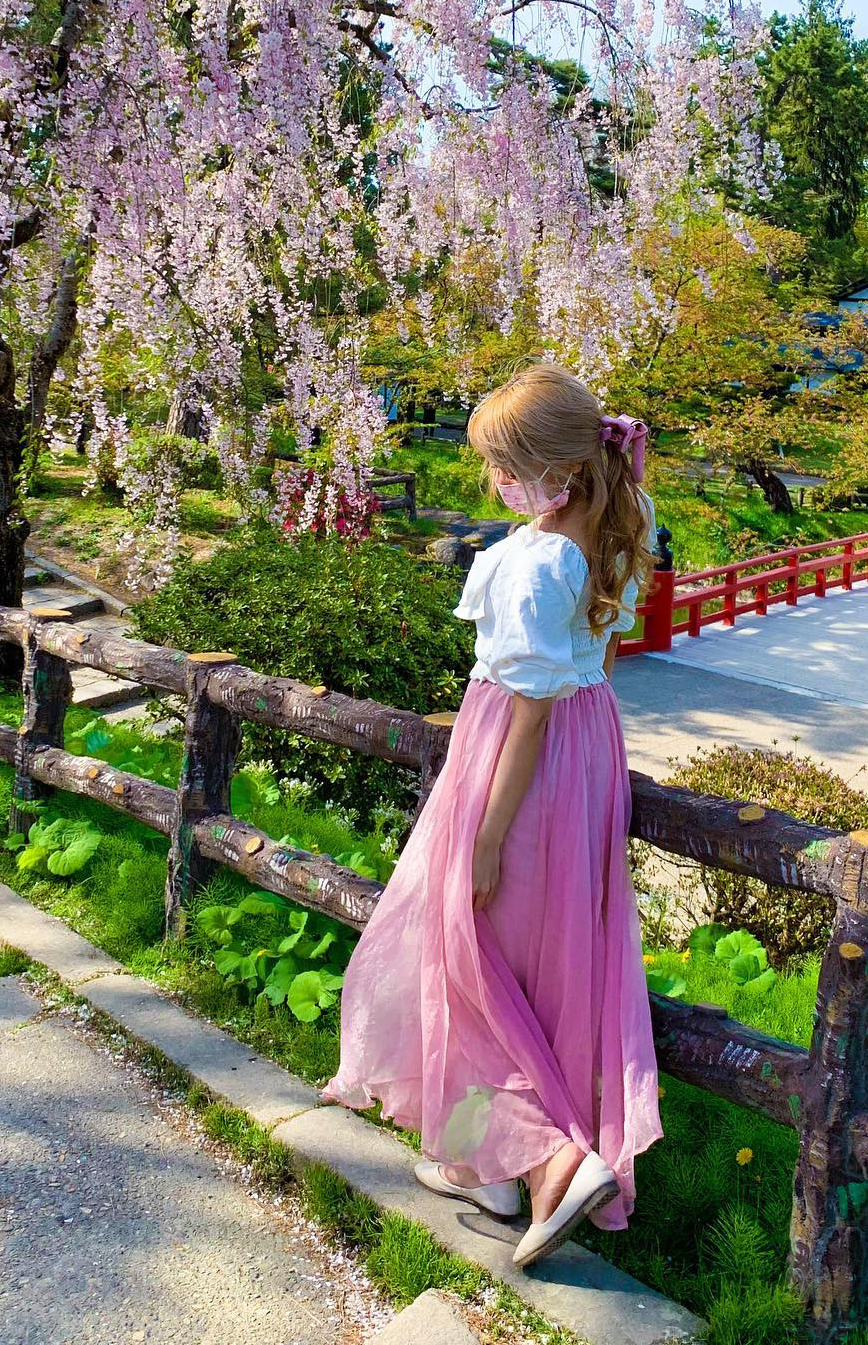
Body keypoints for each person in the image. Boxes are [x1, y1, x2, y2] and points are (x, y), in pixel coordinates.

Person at [324, 364, 661, 1269]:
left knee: (467, 960)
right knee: (533, 969)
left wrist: (486, 835)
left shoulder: (536, 560)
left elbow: (529, 707)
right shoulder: (622, 518)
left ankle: (553, 1164)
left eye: (506, 469)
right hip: (587, 753)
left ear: (560, 470)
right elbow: (595, 665)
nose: (495, 483)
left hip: (519, 762)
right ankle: (487, 1168)